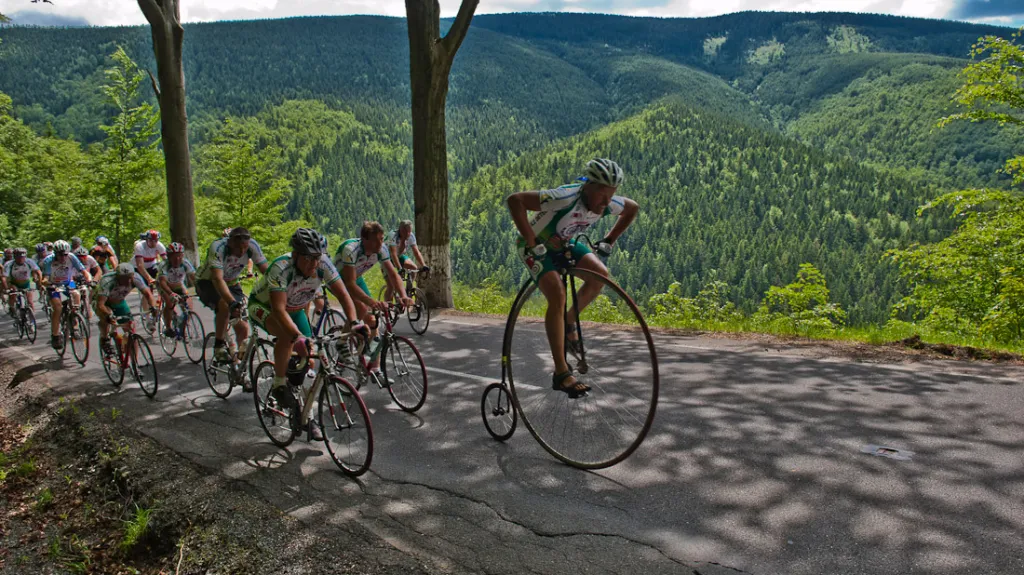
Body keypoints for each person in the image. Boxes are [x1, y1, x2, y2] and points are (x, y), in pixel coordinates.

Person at [506, 158, 638, 398]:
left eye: (611, 195)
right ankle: (561, 372)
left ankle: (568, 322)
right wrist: (533, 242)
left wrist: (610, 239)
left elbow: (632, 208)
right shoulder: (564, 197)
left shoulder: (607, 203)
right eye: (602, 195)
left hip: (565, 244)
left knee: (600, 275)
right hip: (533, 246)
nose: (606, 202)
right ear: (587, 186)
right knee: (557, 293)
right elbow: (515, 201)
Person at [249, 228, 364, 432]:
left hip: (294, 310)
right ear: (295, 255)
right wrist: (298, 337)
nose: (313, 264)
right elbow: (278, 310)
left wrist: (354, 322)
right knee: (288, 337)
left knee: (310, 362)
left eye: (317, 258)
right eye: (308, 259)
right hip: (265, 307)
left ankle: (305, 416)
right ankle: (278, 384)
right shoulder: (281, 268)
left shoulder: (323, 264)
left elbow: (344, 295)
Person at [334, 221, 411, 376]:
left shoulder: (381, 249)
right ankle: (341, 342)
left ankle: (375, 368)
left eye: (382, 239)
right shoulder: (351, 250)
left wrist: (403, 296)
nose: (380, 243)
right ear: (365, 239)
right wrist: (372, 302)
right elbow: (349, 283)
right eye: (376, 240)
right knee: (362, 310)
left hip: (357, 278)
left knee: (373, 321)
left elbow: (393, 274)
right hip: (340, 281)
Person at [195, 227, 269, 362]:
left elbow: (268, 273)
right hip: (208, 282)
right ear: (230, 243)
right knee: (225, 305)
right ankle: (219, 346)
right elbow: (217, 279)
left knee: (243, 326)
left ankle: (239, 365)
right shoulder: (218, 247)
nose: (241, 252)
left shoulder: (252, 246)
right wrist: (231, 302)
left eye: (244, 248)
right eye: (238, 248)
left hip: (232, 283)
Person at [95, 263, 157, 357]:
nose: (128, 281)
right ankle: (104, 339)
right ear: (117, 276)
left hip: (119, 302)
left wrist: (153, 307)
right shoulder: (107, 280)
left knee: (131, 330)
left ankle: (135, 364)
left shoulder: (136, 278)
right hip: (103, 301)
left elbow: (148, 294)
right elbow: (101, 304)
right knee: (107, 317)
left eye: (129, 277)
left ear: (132, 275)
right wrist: (108, 315)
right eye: (124, 278)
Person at [40, 240, 93, 348]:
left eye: (65, 254)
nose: (63, 257)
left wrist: (89, 280)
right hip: (53, 284)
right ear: (55, 253)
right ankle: (55, 335)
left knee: (76, 294)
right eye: (60, 254)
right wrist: (49, 284)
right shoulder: (48, 261)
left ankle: (75, 324)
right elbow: (44, 279)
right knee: (58, 308)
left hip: (68, 282)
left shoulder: (71, 257)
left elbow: (84, 272)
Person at [156, 242, 197, 337]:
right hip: (165, 287)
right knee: (170, 303)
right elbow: (162, 282)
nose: (177, 259)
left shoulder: (185, 263)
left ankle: (181, 326)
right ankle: (168, 327)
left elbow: (193, 277)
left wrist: (199, 288)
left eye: (180, 256)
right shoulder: (164, 265)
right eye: (174, 257)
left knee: (188, 307)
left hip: (179, 285)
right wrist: (171, 294)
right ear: (169, 256)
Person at [2, 248, 42, 313]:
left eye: (23, 257)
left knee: (30, 301)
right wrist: (6, 288)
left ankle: (32, 320)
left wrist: (39, 283)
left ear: (25, 257)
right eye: (18, 258)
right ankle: (12, 308)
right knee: (13, 293)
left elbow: (39, 272)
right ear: (14, 257)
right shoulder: (9, 264)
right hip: (14, 283)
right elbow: (4, 277)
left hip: (26, 283)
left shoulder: (29, 261)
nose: (21, 259)